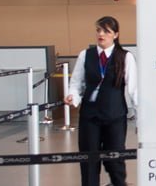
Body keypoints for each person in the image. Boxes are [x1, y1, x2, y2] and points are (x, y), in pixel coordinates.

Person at [65, 16, 137, 186]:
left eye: (106, 31)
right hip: (90, 116)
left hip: (115, 116)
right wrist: (73, 96)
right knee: (89, 159)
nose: (101, 34)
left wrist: (140, 118)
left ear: (116, 34)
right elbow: (77, 83)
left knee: (115, 159)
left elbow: (134, 89)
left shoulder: (125, 57)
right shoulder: (86, 55)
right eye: (98, 30)